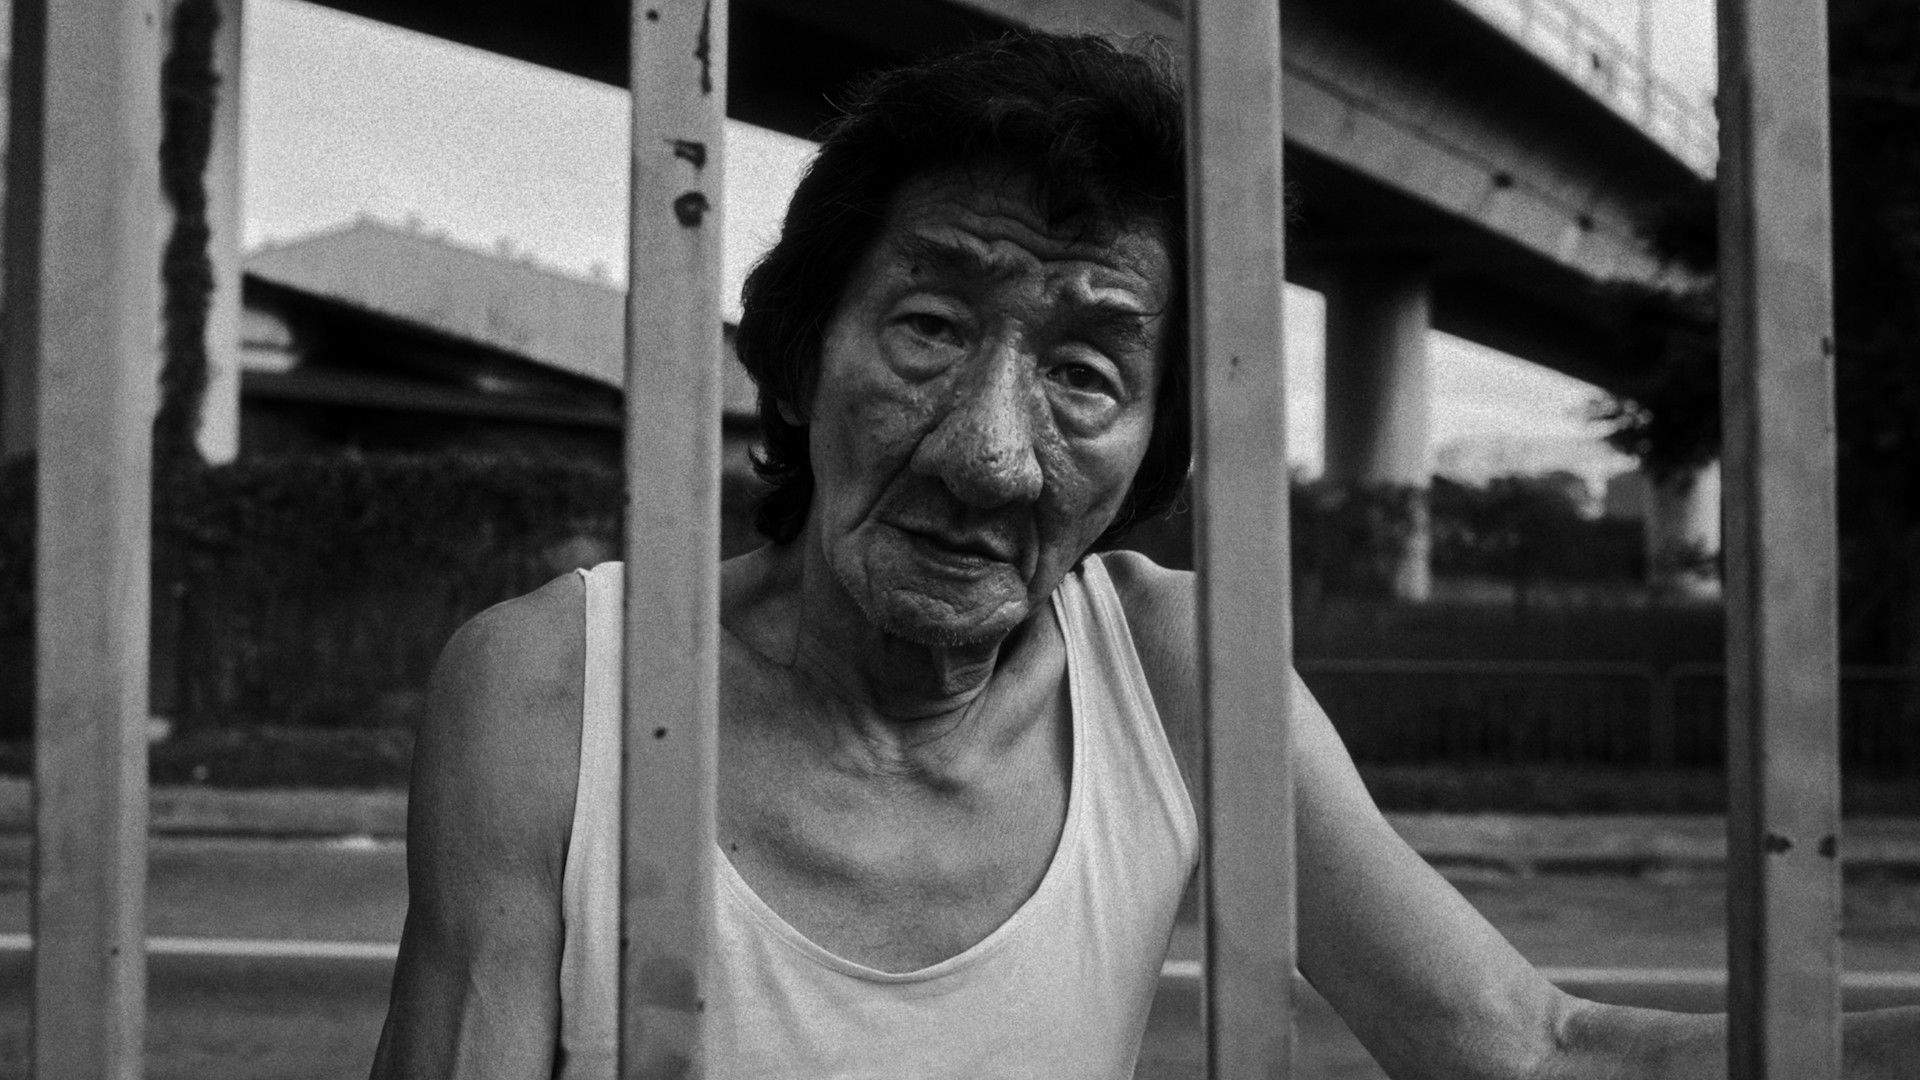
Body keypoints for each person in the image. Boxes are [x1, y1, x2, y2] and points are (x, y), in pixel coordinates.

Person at [371, 32, 1918, 1079]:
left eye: (1087, 372)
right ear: (798, 354)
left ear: (1157, 450)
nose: (988, 453)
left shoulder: (1177, 671)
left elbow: (1523, 1047)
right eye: (928, 326)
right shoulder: (556, 687)